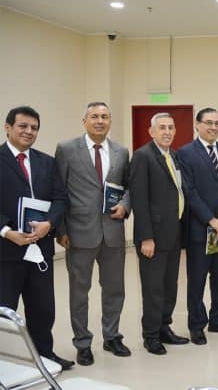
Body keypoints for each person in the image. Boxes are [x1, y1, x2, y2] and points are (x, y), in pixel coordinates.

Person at [54, 102, 132, 365]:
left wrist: (125, 205)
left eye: (105, 117)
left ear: (110, 121)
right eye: (95, 116)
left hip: (113, 233)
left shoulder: (121, 151)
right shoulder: (66, 150)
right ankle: (83, 342)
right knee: (79, 291)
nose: (100, 121)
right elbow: (59, 191)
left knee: (114, 290)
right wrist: (61, 229)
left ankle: (111, 337)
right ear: (84, 120)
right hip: (79, 233)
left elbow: (128, 187)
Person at [0, 106, 73, 369]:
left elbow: (60, 198)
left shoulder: (47, 162)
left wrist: (49, 224)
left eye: (34, 127)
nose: (29, 131)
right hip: (6, 250)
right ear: (8, 127)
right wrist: (7, 232)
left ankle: (45, 356)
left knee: (43, 309)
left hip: (40, 248)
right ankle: (5, 363)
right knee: (5, 310)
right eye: (23, 126)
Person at [176, 108, 218, 345]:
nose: (213, 127)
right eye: (209, 123)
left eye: (217, 123)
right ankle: (196, 325)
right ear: (197, 124)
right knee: (197, 280)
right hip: (200, 229)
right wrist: (211, 220)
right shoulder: (185, 153)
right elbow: (189, 191)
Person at [130, 112, 189, 355]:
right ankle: (151, 335)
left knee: (169, 286)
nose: (167, 131)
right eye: (162, 127)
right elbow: (139, 199)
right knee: (153, 288)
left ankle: (165, 327)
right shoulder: (143, 156)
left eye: (171, 127)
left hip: (173, 234)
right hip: (152, 236)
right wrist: (146, 237)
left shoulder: (173, 156)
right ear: (151, 132)